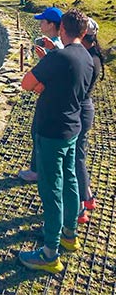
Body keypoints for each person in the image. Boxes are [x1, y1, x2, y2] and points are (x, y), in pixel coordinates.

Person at [19, 9, 93, 273]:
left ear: (62, 29)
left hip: (51, 131)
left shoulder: (58, 57)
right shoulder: (87, 57)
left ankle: (50, 253)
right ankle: (70, 234)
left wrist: (42, 81)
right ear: (83, 32)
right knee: (70, 180)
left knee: (51, 190)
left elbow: (27, 83)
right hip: (72, 128)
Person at [18, 7, 65, 182]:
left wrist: (38, 82)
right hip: (54, 98)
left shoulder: (56, 47)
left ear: (51, 24)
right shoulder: (58, 45)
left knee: (39, 132)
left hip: (49, 98)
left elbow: (52, 74)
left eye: (43, 21)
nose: (40, 24)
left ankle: (37, 171)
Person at [77, 18, 104, 224]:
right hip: (85, 110)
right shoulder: (93, 57)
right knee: (80, 156)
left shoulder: (88, 60)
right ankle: (88, 198)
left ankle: (79, 210)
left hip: (79, 111)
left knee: (74, 160)